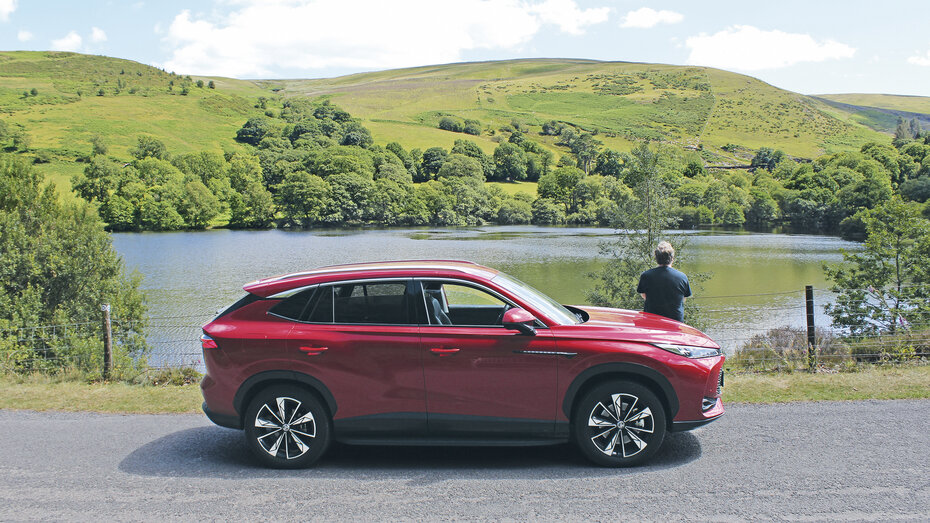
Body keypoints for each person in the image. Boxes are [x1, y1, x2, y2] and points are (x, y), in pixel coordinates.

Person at [636, 241, 691, 322]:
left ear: (656, 258)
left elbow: (644, 295)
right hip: (675, 321)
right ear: (672, 258)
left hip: (651, 320)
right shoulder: (682, 277)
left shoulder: (646, 275)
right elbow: (683, 298)